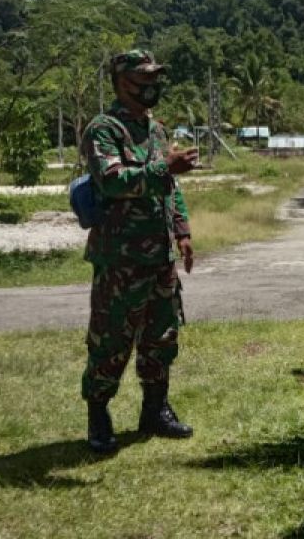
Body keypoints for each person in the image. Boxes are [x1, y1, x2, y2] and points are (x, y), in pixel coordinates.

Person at [81, 49, 200, 454]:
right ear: (121, 81)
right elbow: (112, 180)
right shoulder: (103, 129)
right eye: (143, 79)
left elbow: (171, 188)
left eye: (155, 79)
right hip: (120, 258)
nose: (152, 87)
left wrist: (181, 230)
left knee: (161, 336)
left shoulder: (156, 129)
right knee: (111, 339)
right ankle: (98, 414)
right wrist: (164, 168)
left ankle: (156, 410)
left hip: (158, 256)